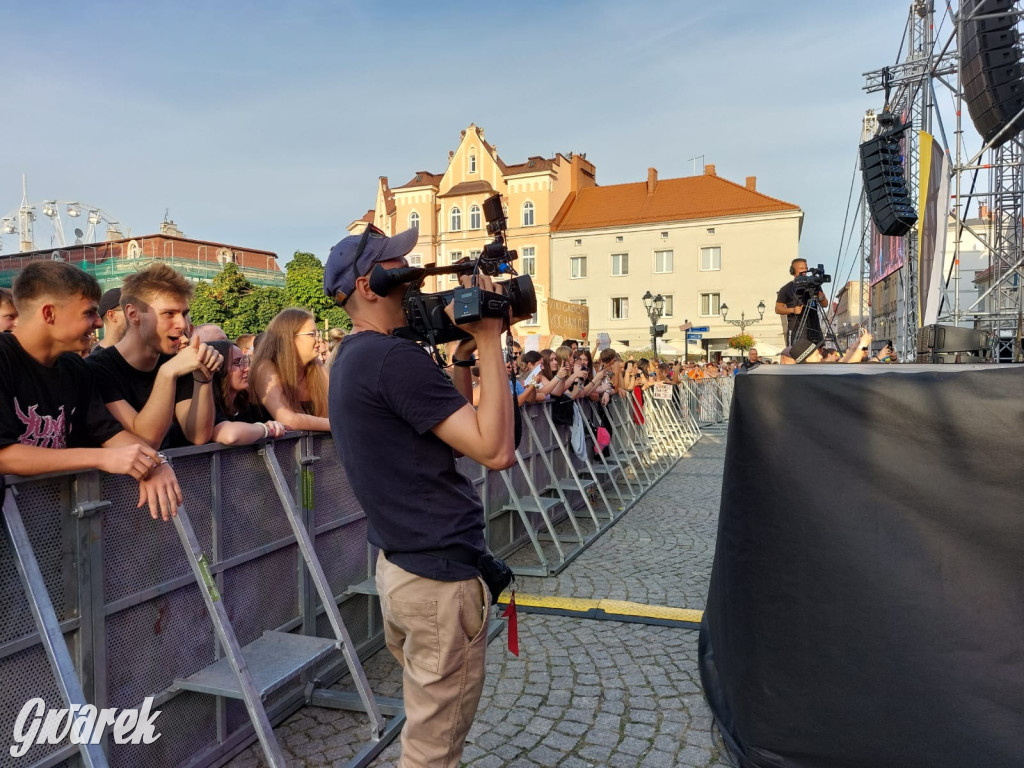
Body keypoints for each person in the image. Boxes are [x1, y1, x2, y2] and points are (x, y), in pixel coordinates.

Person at [324, 224, 515, 768]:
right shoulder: (392, 360)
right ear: (370, 283)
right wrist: (489, 339)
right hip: (437, 583)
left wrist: (460, 360)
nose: (413, 277)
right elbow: (494, 449)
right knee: (431, 752)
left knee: (426, 726)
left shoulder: (357, 358)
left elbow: (451, 439)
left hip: (405, 569)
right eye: (399, 267)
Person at [0, 262, 182, 520]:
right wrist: (102, 459)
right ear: (49, 313)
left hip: (51, 524)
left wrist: (156, 463)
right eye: (89, 313)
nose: (98, 322)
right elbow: (5, 455)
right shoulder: (4, 358)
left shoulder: (74, 367)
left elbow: (109, 433)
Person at [87, 264, 223, 449]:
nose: (182, 324)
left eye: (184, 313)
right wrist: (167, 374)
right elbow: (147, 440)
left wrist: (203, 379)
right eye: (169, 313)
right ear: (133, 314)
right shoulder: (97, 368)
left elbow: (198, 436)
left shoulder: (176, 364)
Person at [250, 308, 330, 431]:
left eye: (317, 334)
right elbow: (288, 420)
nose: (318, 339)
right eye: (312, 334)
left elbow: (336, 409)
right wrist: (339, 425)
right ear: (289, 337)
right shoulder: (266, 367)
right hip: (272, 450)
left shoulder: (317, 366)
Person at [206, 340, 286, 445]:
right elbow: (230, 435)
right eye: (237, 363)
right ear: (217, 369)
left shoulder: (248, 406)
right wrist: (264, 429)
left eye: (244, 361)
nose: (247, 369)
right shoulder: (209, 407)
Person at [775, 258, 827, 346]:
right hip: (797, 329)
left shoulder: (814, 285)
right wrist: (792, 310)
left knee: (819, 353)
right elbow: (778, 309)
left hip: (814, 327)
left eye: (806, 268)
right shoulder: (786, 288)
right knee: (797, 354)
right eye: (802, 268)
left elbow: (825, 304)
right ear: (793, 271)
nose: (805, 270)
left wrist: (821, 297)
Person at [91, 287, 127, 353]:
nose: (136, 316)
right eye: (129, 310)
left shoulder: (139, 353)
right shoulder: (94, 359)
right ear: (112, 315)